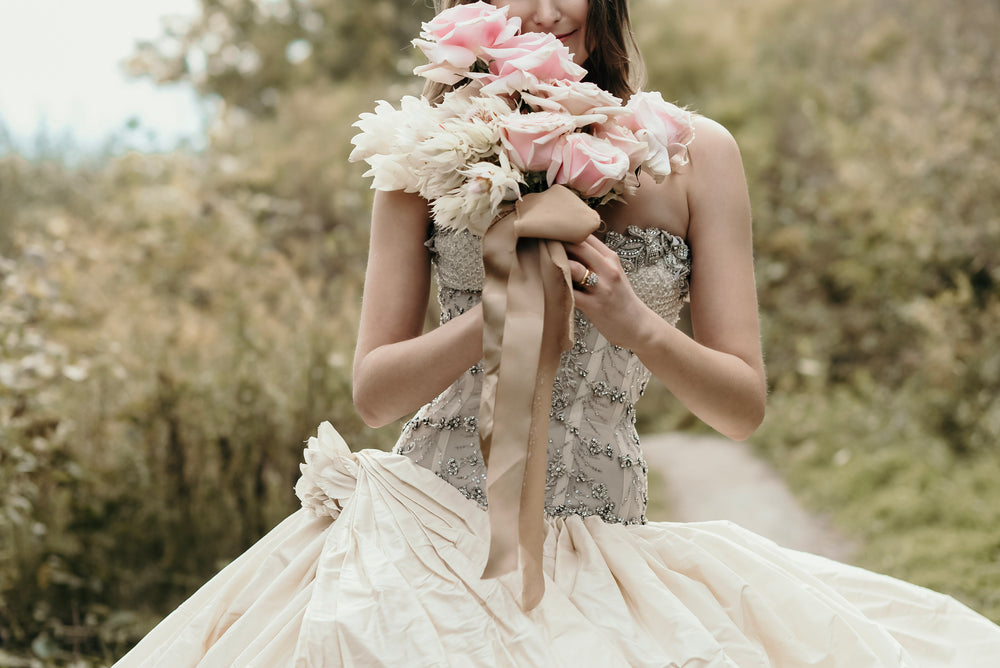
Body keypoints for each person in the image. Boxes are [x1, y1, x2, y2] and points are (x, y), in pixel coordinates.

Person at [115, 1, 1000, 666]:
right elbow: (376, 392)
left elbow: (741, 409)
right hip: (428, 526)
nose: (545, 8)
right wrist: (495, 311)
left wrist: (632, 321)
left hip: (603, 534)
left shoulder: (698, 154)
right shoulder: (419, 155)